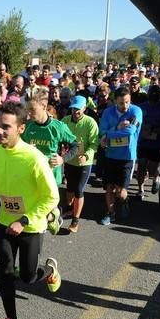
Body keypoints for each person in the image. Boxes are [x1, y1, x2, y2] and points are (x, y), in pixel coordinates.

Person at [0, 102, 61, 319]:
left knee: (27, 277)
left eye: (5, 127)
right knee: (5, 271)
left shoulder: (34, 158)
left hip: (31, 225)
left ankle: (48, 271)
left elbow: (52, 196)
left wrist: (26, 219)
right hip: (6, 221)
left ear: (21, 128)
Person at [98, 87, 142, 225]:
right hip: (110, 155)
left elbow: (129, 132)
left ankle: (125, 200)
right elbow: (101, 132)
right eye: (121, 103)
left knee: (121, 192)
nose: (125, 106)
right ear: (115, 101)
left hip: (127, 156)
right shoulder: (107, 112)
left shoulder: (136, 111)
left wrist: (108, 135)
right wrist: (117, 128)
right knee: (109, 187)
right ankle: (110, 213)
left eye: (127, 102)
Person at [61, 96, 99, 233]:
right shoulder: (65, 121)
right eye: (74, 108)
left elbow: (95, 143)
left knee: (78, 189)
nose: (76, 111)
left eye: (79, 108)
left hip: (84, 162)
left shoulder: (90, 123)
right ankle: (69, 208)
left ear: (84, 108)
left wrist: (87, 154)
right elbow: (59, 135)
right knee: (70, 188)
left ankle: (75, 220)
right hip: (70, 160)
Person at [135, 85, 160, 199]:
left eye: (156, 92)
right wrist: (141, 129)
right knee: (141, 167)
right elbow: (135, 124)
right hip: (143, 142)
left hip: (157, 143)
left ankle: (156, 178)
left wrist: (152, 129)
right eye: (151, 92)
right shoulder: (141, 107)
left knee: (152, 168)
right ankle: (141, 190)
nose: (153, 94)